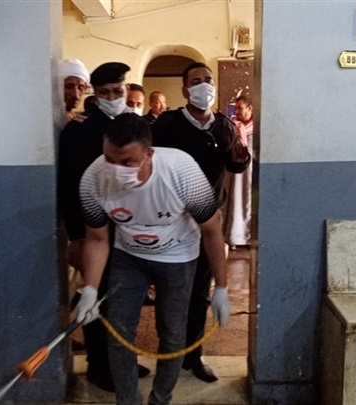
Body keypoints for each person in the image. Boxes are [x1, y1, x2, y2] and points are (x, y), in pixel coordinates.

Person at [74, 113, 231, 405]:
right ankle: (127, 400)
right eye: (110, 159)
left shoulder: (181, 172)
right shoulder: (93, 180)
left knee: (172, 333)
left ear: (149, 153)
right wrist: (90, 290)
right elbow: (96, 239)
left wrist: (221, 287)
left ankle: (160, 400)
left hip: (178, 255)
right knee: (119, 333)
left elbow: (212, 231)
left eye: (128, 162)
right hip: (129, 256)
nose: (116, 170)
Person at [151, 62, 251, 383]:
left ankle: (193, 357)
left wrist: (240, 159)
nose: (204, 85)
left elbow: (234, 165)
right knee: (171, 292)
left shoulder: (224, 126)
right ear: (185, 90)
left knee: (199, 293)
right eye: (196, 81)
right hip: (173, 220)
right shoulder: (167, 124)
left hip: (208, 223)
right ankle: (170, 354)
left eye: (208, 80)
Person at [57, 61, 149, 392]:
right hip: (94, 228)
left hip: (131, 226)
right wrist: (77, 236)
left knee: (126, 297)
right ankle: (100, 366)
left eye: (118, 91)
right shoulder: (80, 130)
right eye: (106, 92)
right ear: (95, 94)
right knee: (98, 297)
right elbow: (69, 185)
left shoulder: (135, 125)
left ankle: (122, 360)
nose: (113, 98)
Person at [223, 95, 254, 249]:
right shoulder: (232, 128)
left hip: (251, 174)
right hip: (234, 174)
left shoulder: (257, 129)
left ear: (250, 109)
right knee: (235, 202)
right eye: (236, 108)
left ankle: (249, 238)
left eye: (240, 108)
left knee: (249, 202)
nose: (237, 112)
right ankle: (235, 237)